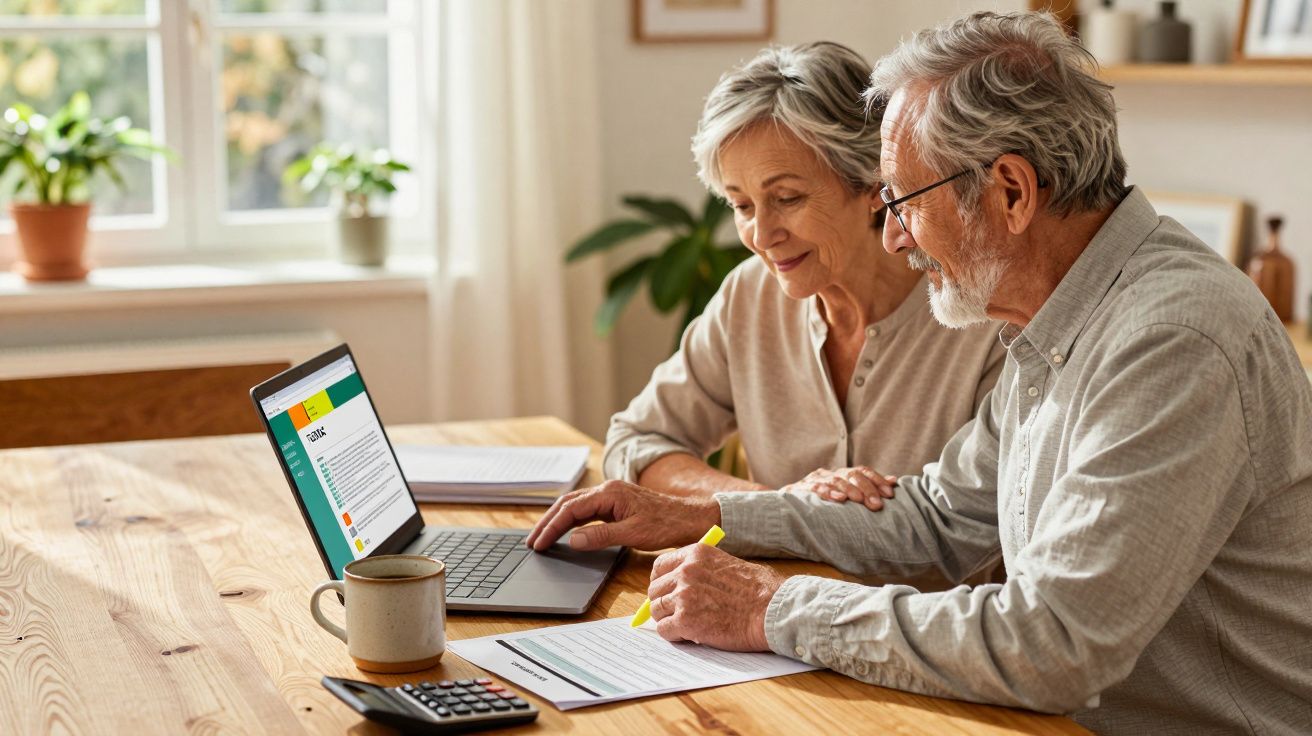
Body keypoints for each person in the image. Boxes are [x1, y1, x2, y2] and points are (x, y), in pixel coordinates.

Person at [528, 11, 1312, 734]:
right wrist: (710, 517)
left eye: (905, 200)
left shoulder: (1170, 339)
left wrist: (773, 606)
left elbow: (1053, 644)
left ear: (1010, 192)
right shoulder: (1058, 320)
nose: (895, 235)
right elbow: (935, 520)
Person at [606, 41, 1005, 513]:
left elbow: (979, 517)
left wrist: (792, 517)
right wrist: (770, 505)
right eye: (741, 205)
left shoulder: (983, 317)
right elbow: (636, 441)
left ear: (875, 184)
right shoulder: (749, 295)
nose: (761, 235)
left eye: (788, 198)